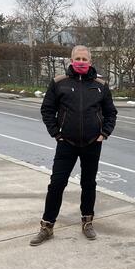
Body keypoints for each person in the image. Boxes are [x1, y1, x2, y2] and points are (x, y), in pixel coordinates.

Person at [30, 45, 117, 245]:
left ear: (90, 62)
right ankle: (47, 226)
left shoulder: (100, 85)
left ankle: (87, 222)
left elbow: (111, 113)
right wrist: (55, 133)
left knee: (89, 184)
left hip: (92, 144)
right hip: (66, 144)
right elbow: (47, 110)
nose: (80, 62)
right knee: (57, 184)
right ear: (71, 60)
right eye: (77, 58)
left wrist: (104, 133)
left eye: (84, 59)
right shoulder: (59, 83)